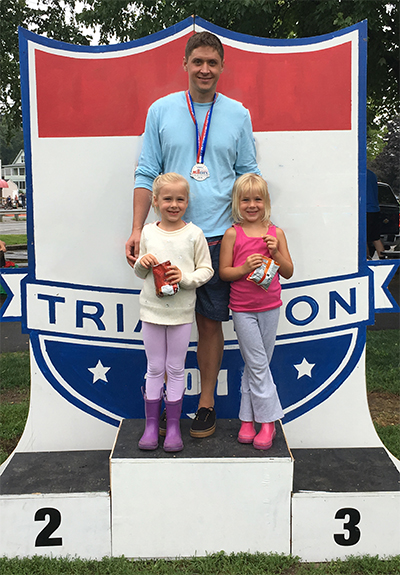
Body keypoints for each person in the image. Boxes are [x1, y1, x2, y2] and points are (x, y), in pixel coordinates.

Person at [125, 31, 260, 437]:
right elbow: (146, 173)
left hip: (218, 239)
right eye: (198, 61)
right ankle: (161, 411)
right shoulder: (161, 111)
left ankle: (204, 405)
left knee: (210, 324)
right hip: (167, 240)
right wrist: (136, 229)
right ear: (184, 64)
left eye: (212, 63)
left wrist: (247, 232)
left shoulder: (238, 114)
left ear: (222, 68)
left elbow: (247, 176)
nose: (205, 69)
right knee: (165, 322)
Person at [134, 173, 214, 452]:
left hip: (181, 313)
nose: (174, 204)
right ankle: (151, 427)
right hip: (151, 312)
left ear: (187, 202)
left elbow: (206, 270)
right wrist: (142, 263)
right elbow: (139, 272)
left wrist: (184, 278)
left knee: (175, 368)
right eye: (167, 199)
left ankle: (173, 431)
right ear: (155, 201)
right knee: (155, 367)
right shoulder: (148, 232)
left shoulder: (194, 234)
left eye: (180, 199)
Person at [219, 173, 293, 449]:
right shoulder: (232, 234)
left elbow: (288, 272)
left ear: (266, 202)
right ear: (237, 203)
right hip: (242, 309)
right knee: (259, 365)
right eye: (245, 200)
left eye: (257, 199)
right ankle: (269, 421)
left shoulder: (276, 233)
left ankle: (247, 419)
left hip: (271, 307)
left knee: (255, 366)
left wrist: (277, 255)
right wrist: (244, 268)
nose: (252, 205)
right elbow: (225, 273)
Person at [366, 169, 384, 259]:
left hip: (364, 210)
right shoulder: (372, 174)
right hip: (375, 209)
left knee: (362, 238)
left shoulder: (358, 174)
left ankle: (366, 260)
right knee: (376, 238)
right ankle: (383, 259)